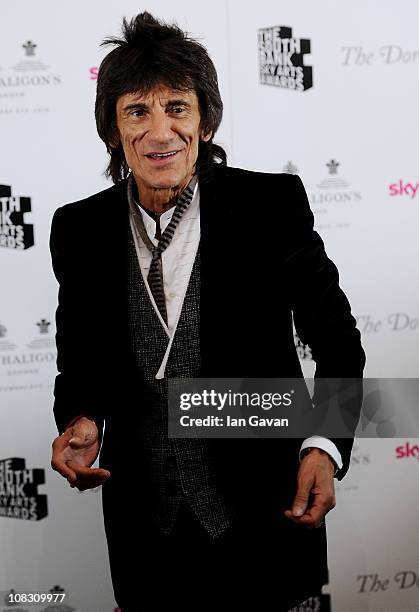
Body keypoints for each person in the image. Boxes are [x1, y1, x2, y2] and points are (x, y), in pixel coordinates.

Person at [49, 12, 365, 612]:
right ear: (113, 129)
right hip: (147, 529)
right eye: (136, 111)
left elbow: (339, 341)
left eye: (177, 107)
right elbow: (80, 362)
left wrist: (324, 444)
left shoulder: (270, 208)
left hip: (267, 511)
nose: (159, 131)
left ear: (207, 120)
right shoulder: (79, 229)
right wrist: (80, 419)